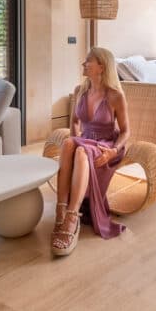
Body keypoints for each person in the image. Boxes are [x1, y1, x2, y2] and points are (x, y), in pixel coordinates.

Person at [52, 47, 131, 256]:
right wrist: (75, 139)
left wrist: (113, 151)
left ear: (101, 67)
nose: (83, 64)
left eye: (88, 61)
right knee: (70, 144)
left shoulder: (115, 96)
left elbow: (125, 132)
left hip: (106, 145)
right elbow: (75, 123)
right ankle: (61, 209)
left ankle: (71, 217)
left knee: (80, 152)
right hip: (85, 140)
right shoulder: (81, 91)